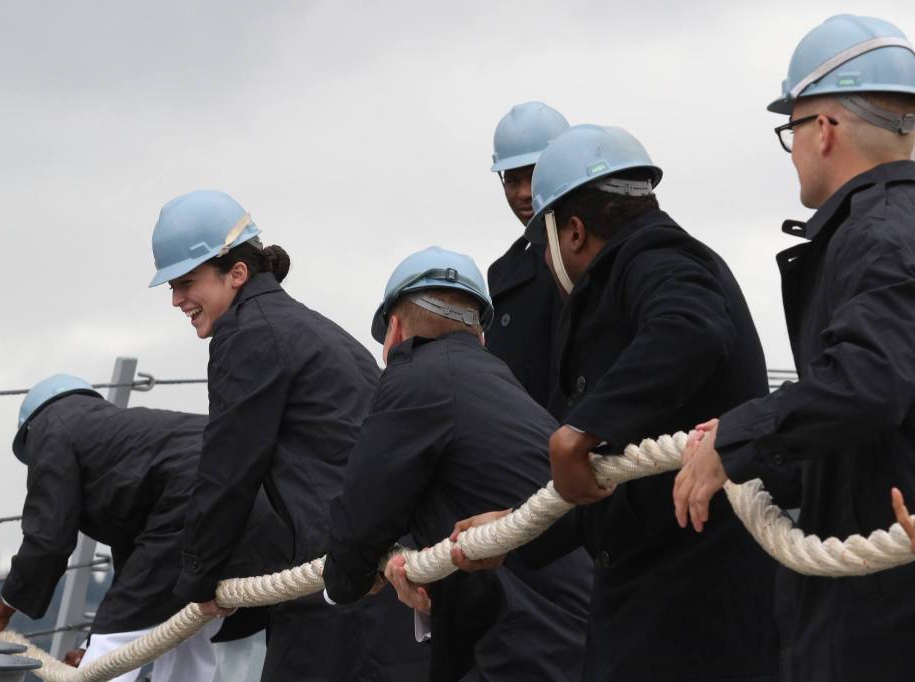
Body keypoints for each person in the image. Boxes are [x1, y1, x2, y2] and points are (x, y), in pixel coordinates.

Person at [455, 124, 781, 681]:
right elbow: (600, 477)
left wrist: (579, 429)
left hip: (690, 604)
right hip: (665, 594)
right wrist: (514, 531)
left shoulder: (655, 259)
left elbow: (692, 328)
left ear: (574, 232)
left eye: (544, 239)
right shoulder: (639, 274)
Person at [673, 14, 915, 681]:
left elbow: (869, 384)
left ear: (824, 130)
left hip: (884, 608)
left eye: (792, 131)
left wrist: (737, 438)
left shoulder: (879, 236)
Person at [148, 189, 428, 681]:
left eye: (187, 282)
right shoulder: (304, 326)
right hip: (381, 567)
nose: (176, 299)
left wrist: (198, 579)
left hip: (340, 578)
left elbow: (228, 469)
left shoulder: (247, 335)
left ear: (236, 273)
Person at [322, 246, 590, 682]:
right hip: (568, 637)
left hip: (525, 647)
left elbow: (364, 511)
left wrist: (344, 581)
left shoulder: (415, 377)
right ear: (480, 334)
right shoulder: (500, 384)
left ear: (393, 329)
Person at [0, 374, 288, 681]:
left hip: (193, 501)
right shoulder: (125, 441)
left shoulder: (52, 425)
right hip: (258, 500)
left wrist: (0, 614)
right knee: (190, 623)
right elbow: (142, 581)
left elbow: (48, 540)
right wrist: (91, 644)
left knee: (118, 645)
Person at [485, 102, 569, 408]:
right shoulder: (503, 273)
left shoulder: (607, 258)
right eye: (512, 180)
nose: (523, 193)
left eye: (534, 175)